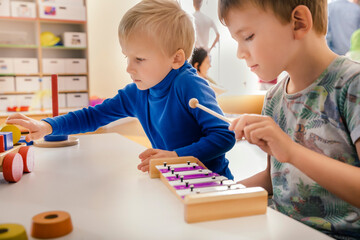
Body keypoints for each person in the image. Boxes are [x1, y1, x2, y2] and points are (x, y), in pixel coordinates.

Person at [7, 0, 235, 179]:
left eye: (139, 59)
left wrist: (177, 156)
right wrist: (46, 125)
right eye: (127, 57)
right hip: (174, 178)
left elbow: (224, 135)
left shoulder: (189, 85)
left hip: (211, 182)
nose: (128, 68)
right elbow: (94, 115)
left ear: (176, 58)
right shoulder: (138, 92)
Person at [218, 0, 360, 239]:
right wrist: (214, 191)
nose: (240, 53)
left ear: (298, 23)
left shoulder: (351, 85)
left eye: (248, 36)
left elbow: (289, 155)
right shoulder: (273, 98)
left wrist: (291, 151)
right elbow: (275, 180)